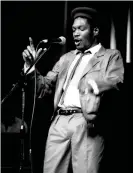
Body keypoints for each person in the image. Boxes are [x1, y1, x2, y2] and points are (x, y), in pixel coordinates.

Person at [22, 6, 124, 173]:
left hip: (88, 122)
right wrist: (31, 68)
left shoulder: (110, 56)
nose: (75, 33)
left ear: (95, 31)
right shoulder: (66, 58)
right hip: (59, 121)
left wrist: (92, 84)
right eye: (73, 29)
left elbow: (116, 82)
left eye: (81, 29)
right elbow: (45, 86)